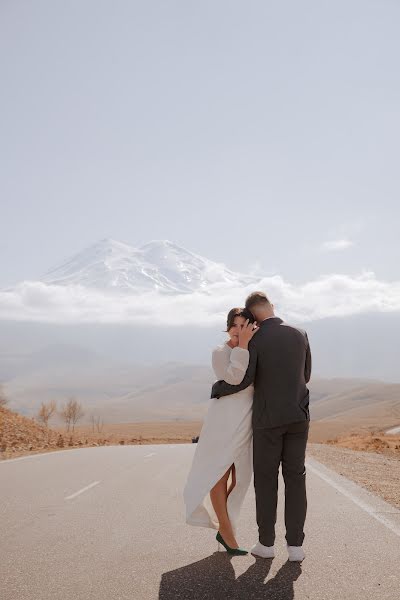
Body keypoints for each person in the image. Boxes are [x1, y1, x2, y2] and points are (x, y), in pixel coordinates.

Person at [211, 292, 312, 562]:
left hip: (267, 420)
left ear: (253, 316)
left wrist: (217, 388)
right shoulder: (300, 333)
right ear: (272, 307)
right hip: (298, 417)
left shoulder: (256, 338)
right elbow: (306, 375)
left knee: (266, 482)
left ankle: (266, 545)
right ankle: (296, 548)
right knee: (296, 479)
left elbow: (245, 379)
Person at [183, 308, 259, 555]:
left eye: (244, 325)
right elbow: (235, 378)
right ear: (228, 327)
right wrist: (243, 346)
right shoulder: (221, 352)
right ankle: (227, 532)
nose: (239, 330)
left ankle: (226, 526)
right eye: (234, 325)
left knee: (243, 477)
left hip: (246, 419)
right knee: (221, 473)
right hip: (224, 420)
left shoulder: (252, 349)